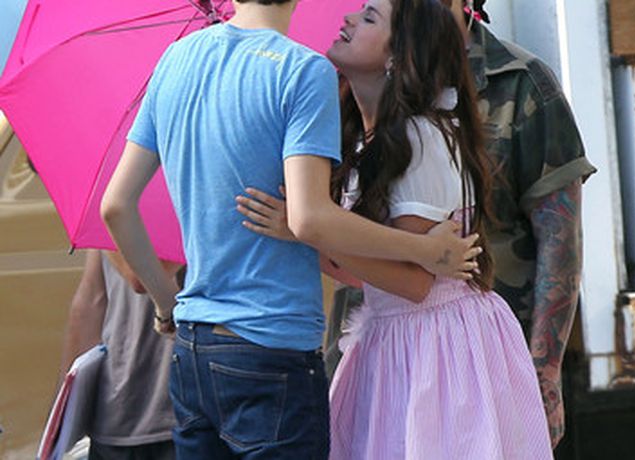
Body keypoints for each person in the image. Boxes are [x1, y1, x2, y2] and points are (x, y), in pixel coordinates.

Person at [100, 0, 480, 457]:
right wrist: (423, 250)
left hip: (192, 346)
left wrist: (167, 305)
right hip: (272, 346)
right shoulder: (302, 70)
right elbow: (307, 218)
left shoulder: (174, 59)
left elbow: (116, 206)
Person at [237, 0, 552, 458]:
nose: (348, 18)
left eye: (369, 17)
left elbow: (414, 283)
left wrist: (308, 229)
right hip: (399, 336)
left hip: (437, 346)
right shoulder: (369, 141)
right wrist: (305, 232)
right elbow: (365, 273)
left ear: (397, 56)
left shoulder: (419, 138)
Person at [318, 0, 597, 448]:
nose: (352, 18)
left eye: (370, 15)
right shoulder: (349, 105)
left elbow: (559, 236)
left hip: (454, 351)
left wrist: (544, 371)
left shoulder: (515, 83)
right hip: (382, 337)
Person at [58, 250, 181, 460]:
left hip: (175, 410)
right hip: (122, 408)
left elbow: (94, 300)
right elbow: (91, 300)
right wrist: (61, 415)